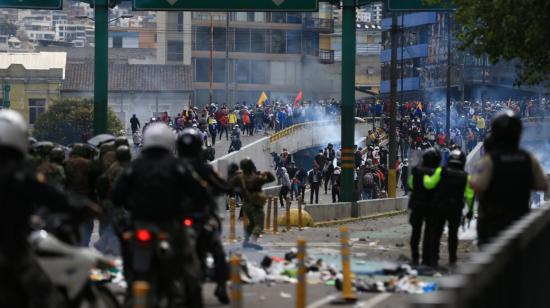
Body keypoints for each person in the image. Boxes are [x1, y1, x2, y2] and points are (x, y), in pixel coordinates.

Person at [0, 110, 100, 308]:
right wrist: (85, 206)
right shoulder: (18, 171)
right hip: (11, 246)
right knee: (44, 293)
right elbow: (51, 194)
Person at [112, 123, 203, 308]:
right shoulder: (177, 166)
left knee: (129, 256)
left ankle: (131, 290)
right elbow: (199, 193)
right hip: (171, 224)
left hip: (141, 224)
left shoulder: (134, 166)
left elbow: (116, 196)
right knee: (189, 264)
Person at [471, 110, 547, 247]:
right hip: (520, 223)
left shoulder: (489, 160)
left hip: (493, 225)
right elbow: (542, 184)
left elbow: (477, 185)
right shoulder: (528, 158)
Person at [176, 128, 231, 304]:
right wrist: (233, 188)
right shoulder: (204, 168)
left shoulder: (173, 166)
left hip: (177, 220)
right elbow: (222, 185)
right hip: (201, 217)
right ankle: (221, 286)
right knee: (217, 251)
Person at [423, 149, 474, 268]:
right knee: (453, 234)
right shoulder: (466, 176)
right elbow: (470, 196)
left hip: (440, 207)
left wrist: (426, 176)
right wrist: (470, 211)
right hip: (455, 209)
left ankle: (434, 260)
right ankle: (452, 260)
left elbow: (429, 184)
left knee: (436, 233)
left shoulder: (441, 171)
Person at [229, 158, 275, 249]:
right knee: (259, 224)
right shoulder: (256, 178)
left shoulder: (239, 178)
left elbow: (229, 185)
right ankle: (252, 241)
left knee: (251, 224)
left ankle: (246, 241)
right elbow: (271, 179)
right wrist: (267, 173)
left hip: (246, 204)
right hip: (256, 204)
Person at [407, 148, 441, 266]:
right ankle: (427, 259)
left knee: (416, 232)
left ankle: (415, 257)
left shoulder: (416, 170)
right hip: (431, 206)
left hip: (416, 204)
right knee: (429, 233)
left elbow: (410, 185)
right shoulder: (437, 172)